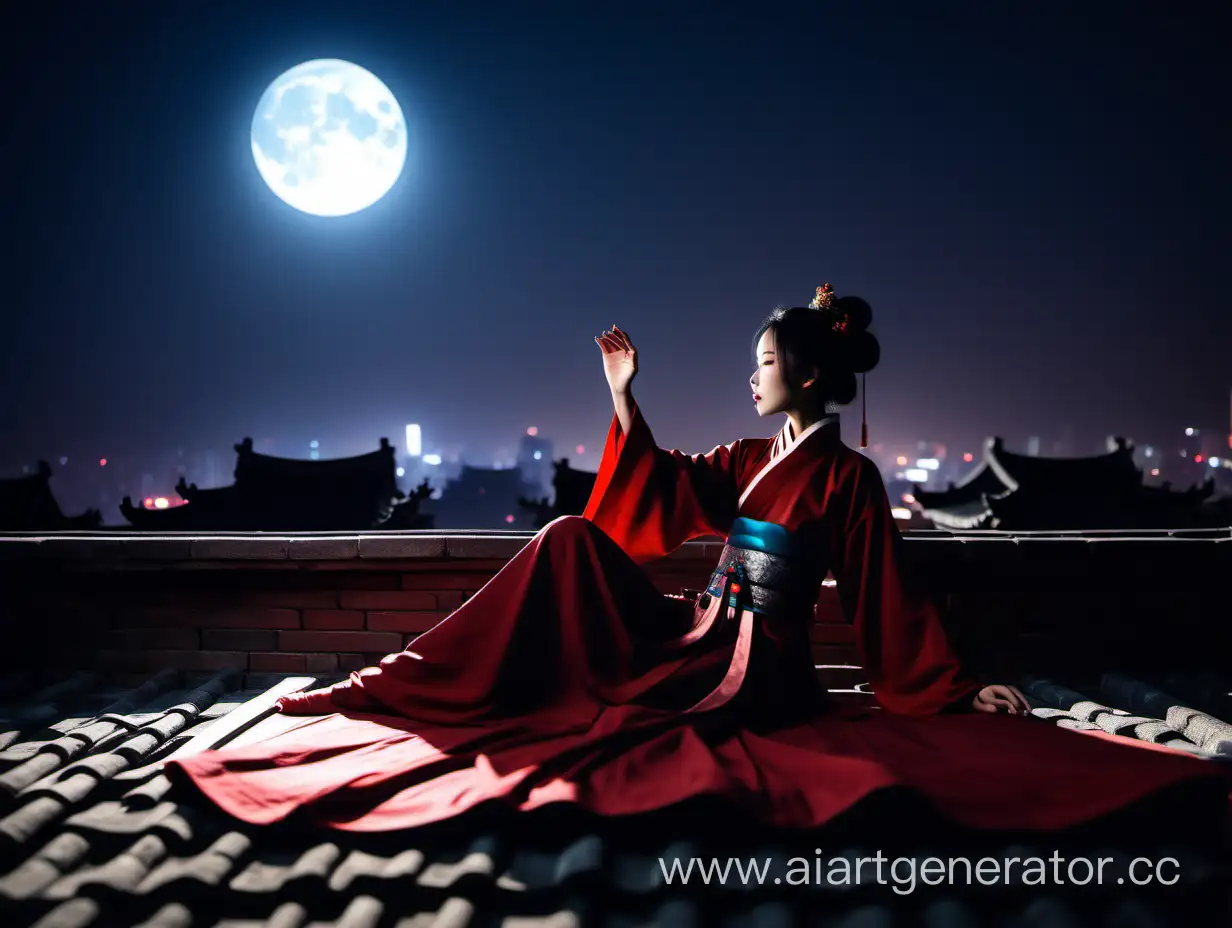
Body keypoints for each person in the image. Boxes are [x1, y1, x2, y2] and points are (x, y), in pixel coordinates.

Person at [164, 285, 1230, 834]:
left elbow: (882, 602)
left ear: (808, 375)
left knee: (623, 697)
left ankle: (417, 687)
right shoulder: (751, 456)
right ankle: (397, 682)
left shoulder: (845, 478)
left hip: (755, 673)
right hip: (695, 635)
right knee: (568, 539)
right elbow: (663, 489)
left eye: (764, 363)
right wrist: (624, 401)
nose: (752, 375)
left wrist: (947, 689)